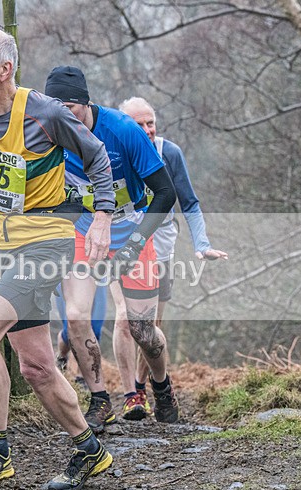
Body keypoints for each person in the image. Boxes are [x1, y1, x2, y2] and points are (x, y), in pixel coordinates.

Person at [0, 29, 116, 490]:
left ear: (5, 69)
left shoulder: (45, 112)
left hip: (48, 242)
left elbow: (97, 158)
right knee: (36, 366)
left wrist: (101, 219)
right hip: (3, 247)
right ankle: (90, 451)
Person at [44, 66, 180, 430]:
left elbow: (166, 193)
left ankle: (162, 387)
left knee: (142, 330)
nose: (62, 121)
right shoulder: (48, 133)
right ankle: (100, 398)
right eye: (55, 112)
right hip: (84, 232)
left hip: (130, 227)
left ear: (85, 104)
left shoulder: (123, 130)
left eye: (69, 111)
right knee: (75, 316)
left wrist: (135, 244)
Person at [109, 96, 228, 420]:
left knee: (149, 328)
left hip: (160, 244)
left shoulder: (168, 153)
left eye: (151, 123)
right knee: (123, 317)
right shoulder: (109, 151)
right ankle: (131, 396)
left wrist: (201, 244)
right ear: (123, 126)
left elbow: (189, 202)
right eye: (138, 124)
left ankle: (151, 385)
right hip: (121, 243)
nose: (146, 130)